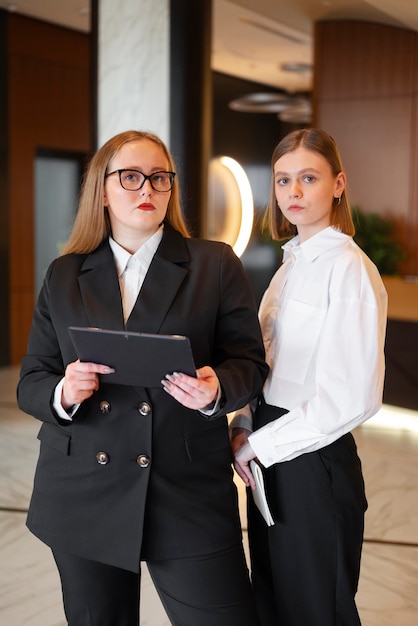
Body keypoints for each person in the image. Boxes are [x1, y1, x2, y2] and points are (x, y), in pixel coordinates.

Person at [17, 129, 269, 626]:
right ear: (103, 190)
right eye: (130, 177)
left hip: (186, 490)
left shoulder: (214, 263)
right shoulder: (64, 273)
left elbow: (250, 364)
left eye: (159, 178)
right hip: (83, 491)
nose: (146, 190)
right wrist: (63, 392)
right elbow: (32, 380)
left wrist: (216, 387)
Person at [231, 128, 388, 626]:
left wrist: (259, 445)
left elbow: (350, 398)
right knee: (274, 601)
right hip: (269, 447)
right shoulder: (288, 266)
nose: (292, 193)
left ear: (338, 184)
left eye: (308, 178)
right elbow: (268, 363)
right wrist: (243, 422)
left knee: (319, 611)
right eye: (282, 180)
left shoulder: (349, 269)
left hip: (313, 460)